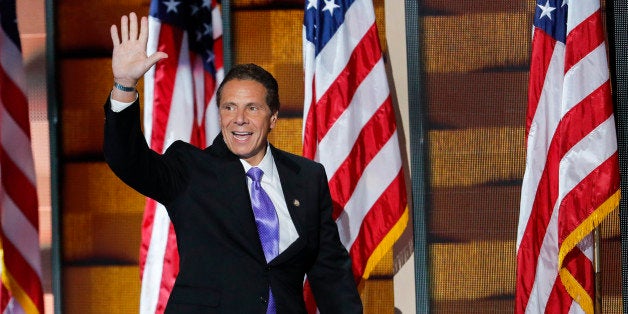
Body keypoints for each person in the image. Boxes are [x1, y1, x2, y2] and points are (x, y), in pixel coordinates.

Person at [104, 12, 363, 313]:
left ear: (273, 117)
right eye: (229, 107)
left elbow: (330, 272)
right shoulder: (190, 169)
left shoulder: (307, 177)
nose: (239, 119)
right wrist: (124, 85)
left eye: (252, 108)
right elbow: (128, 161)